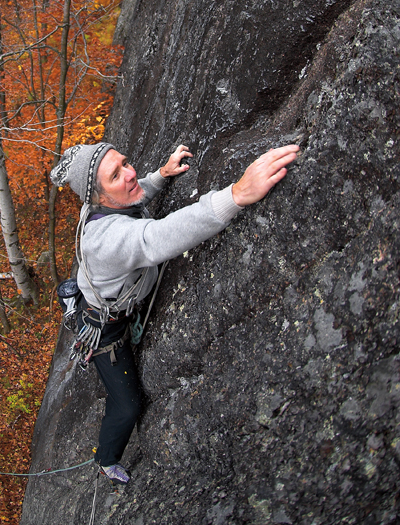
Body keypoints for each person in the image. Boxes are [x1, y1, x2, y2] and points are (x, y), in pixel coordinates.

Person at [50, 141, 299, 485]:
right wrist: (237, 194)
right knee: (128, 407)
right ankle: (106, 458)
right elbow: (154, 238)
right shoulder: (103, 239)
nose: (131, 172)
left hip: (107, 299)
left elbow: (133, 199)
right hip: (104, 330)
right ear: (99, 197)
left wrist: (161, 175)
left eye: (126, 163)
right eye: (116, 174)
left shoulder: (103, 204)